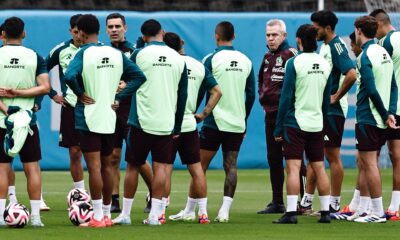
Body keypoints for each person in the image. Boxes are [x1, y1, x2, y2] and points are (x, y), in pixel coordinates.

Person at [65, 14, 146, 228]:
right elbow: (139, 77)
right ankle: (108, 216)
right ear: (99, 30)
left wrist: (80, 93)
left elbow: (69, 76)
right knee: (109, 166)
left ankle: (98, 216)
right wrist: (120, 96)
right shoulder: (115, 53)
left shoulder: (82, 53)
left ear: (81, 33)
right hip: (111, 117)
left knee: (94, 167)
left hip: (89, 116)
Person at [112, 19, 187, 226]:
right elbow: (183, 96)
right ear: (162, 32)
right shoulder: (179, 59)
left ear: (143, 37)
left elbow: (125, 80)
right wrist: (177, 126)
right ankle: (154, 215)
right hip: (166, 122)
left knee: (133, 167)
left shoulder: (139, 54)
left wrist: (119, 95)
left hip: (140, 120)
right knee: (161, 168)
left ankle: (125, 214)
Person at [273, 24, 331, 224]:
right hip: (317, 123)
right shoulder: (325, 63)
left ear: (298, 40)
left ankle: (290, 213)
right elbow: (326, 99)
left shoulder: (293, 63)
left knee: (293, 168)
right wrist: (324, 122)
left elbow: (286, 97)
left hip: (295, 123)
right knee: (320, 168)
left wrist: (278, 127)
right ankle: (325, 213)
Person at [299, 10, 357, 214]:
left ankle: (334, 203)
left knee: (332, 156)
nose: (313, 31)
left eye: (316, 28)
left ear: (328, 28)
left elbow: (351, 74)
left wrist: (336, 96)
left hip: (333, 112)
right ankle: (306, 201)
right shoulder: (324, 47)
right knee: (315, 155)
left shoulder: (337, 46)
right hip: (322, 110)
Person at [199, 21, 255, 223]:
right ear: (234, 36)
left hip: (214, 121)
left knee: (199, 166)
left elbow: (202, 88)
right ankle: (224, 211)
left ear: (216, 36)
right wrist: (244, 119)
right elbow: (250, 95)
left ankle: (198, 210)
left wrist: (198, 112)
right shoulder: (246, 60)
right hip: (236, 123)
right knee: (231, 166)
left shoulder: (211, 59)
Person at [163, 32, 222, 224]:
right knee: (196, 169)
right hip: (189, 122)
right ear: (182, 43)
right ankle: (203, 214)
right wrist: (203, 114)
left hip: (169, 123)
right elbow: (217, 91)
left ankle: (159, 213)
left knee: (165, 168)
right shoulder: (198, 65)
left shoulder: (166, 65)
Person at [0, 16, 50, 227]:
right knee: (32, 169)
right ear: (24, 33)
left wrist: (7, 109)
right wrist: (20, 93)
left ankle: (0, 217)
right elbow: (45, 87)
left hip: (3, 122)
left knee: (2, 169)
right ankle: (36, 218)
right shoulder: (35, 57)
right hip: (27, 122)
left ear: (2, 35)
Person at [349, 16, 398, 223]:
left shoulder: (365, 55)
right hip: (382, 117)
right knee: (365, 161)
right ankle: (363, 209)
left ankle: (377, 212)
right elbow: (394, 85)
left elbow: (370, 89)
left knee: (369, 163)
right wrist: (391, 112)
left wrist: (384, 112)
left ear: (359, 30)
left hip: (369, 116)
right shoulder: (383, 52)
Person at [256, 19, 307, 214]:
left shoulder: (292, 55)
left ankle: (304, 202)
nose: (270, 38)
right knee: (273, 159)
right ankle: (277, 201)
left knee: (295, 160)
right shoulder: (267, 57)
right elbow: (261, 80)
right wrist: (263, 100)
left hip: (289, 118)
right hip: (270, 116)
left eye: (274, 35)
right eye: (268, 35)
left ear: (284, 36)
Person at [105, 12, 153, 214]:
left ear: (125, 28)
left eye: (118, 26)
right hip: (110, 109)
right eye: (110, 27)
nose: (114, 30)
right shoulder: (102, 52)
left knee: (137, 157)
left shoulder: (135, 51)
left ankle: (156, 194)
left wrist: (126, 85)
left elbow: (144, 79)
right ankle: (114, 199)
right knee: (113, 156)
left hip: (130, 110)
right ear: (106, 30)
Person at [46, 14, 86, 193]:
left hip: (95, 108)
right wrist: (52, 93)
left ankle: (105, 198)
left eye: (82, 32)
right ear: (71, 31)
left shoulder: (98, 50)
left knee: (100, 154)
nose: (79, 36)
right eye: (75, 32)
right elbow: (40, 70)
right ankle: (79, 192)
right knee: (75, 152)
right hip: (71, 106)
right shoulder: (60, 50)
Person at [370, 9, 400, 221]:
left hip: (394, 108)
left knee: (390, 157)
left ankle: (392, 207)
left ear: (380, 25)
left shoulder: (384, 44)